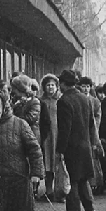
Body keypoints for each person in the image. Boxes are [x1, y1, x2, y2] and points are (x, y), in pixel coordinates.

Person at [56, 70, 99, 211]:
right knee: (83, 180)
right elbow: (90, 124)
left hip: (72, 148)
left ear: (62, 83)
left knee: (73, 181)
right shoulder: (85, 99)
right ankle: (90, 210)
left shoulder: (63, 101)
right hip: (85, 144)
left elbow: (64, 129)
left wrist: (60, 150)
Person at [78, 77, 104, 194]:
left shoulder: (95, 101)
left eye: (88, 86)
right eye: (83, 86)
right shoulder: (77, 99)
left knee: (93, 158)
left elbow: (98, 117)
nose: (85, 89)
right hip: (80, 132)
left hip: (92, 132)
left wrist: (94, 129)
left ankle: (94, 183)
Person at [39, 73, 61, 202]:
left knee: (58, 163)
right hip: (46, 136)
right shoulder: (41, 101)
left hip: (58, 135)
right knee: (47, 163)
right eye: (48, 85)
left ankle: (60, 189)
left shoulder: (61, 100)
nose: (50, 87)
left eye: (53, 85)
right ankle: (49, 190)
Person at [10, 74, 41, 144]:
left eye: (14, 88)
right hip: (17, 136)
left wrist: (14, 118)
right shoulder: (14, 101)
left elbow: (30, 118)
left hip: (31, 136)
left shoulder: (34, 102)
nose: (13, 91)